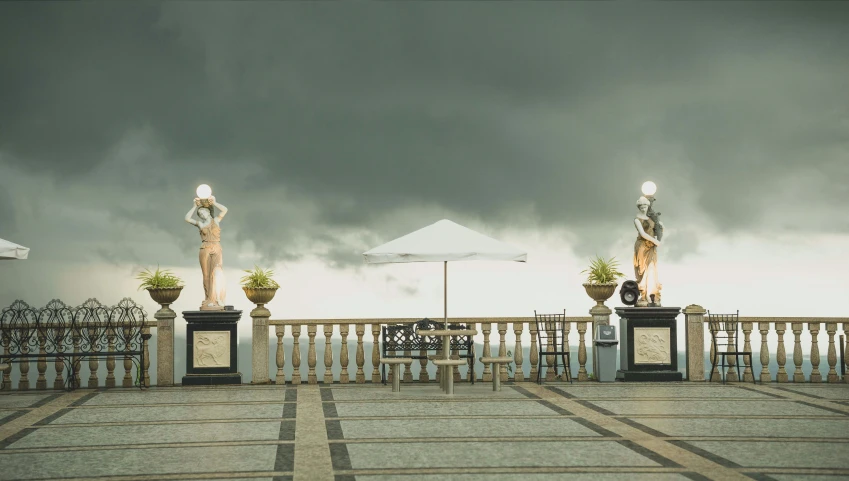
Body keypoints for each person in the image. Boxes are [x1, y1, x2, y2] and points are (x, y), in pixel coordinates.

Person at [184, 196, 228, 310]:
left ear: (208, 211)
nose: (202, 214)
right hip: (205, 248)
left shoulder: (216, 220)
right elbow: (187, 218)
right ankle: (209, 298)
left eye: (203, 211)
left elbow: (225, 210)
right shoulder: (200, 224)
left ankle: (218, 298)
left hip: (216, 247)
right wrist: (195, 207)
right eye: (200, 213)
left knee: (217, 272)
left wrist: (215, 202)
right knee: (206, 275)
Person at [633, 196, 662, 306]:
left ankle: (652, 295)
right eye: (641, 206)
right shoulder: (637, 219)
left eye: (645, 206)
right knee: (642, 270)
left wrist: (658, 232)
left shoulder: (651, 219)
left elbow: (655, 230)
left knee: (652, 269)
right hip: (642, 246)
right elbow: (643, 234)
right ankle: (643, 295)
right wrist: (655, 241)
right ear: (639, 207)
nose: (643, 208)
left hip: (651, 247)